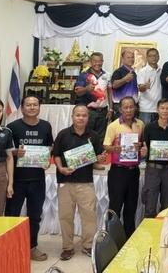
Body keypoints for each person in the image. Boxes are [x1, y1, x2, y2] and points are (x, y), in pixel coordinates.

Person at [52, 105, 106, 261]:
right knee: (65, 216)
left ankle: (88, 245)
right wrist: (61, 168)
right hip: (65, 182)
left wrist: (99, 159)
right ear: (72, 116)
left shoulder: (94, 136)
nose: (81, 118)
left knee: (89, 216)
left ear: (88, 117)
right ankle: (67, 247)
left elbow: (96, 159)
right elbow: (56, 155)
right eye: (78, 115)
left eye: (84, 115)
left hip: (85, 182)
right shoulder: (63, 134)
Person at [5, 96, 53, 261]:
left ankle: (32, 247)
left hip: (37, 179)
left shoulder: (46, 126)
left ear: (39, 107)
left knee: (35, 216)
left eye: (35, 105)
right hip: (17, 180)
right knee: (12, 215)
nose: (32, 107)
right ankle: (9, 248)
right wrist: (15, 152)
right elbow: (6, 152)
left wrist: (46, 159)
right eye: (28, 105)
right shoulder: (12, 127)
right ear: (22, 108)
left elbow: (49, 147)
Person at [103, 97, 146, 237]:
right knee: (115, 207)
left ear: (135, 108)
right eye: (125, 107)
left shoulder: (140, 124)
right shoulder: (113, 126)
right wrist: (114, 148)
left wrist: (140, 146)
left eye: (131, 107)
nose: (128, 110)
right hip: (118, 171)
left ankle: (129, 237)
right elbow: (106, 146)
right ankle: (111, 237)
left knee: (131, 207)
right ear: (120, 109)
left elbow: (143, 144)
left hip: (133, 171)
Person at [141, 99, 168, 217]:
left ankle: (165, 228)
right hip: (152, 169)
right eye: (162, 108)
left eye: (167, 108)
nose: (165, 111)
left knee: (167, 206)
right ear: (157, 110)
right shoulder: (149, 127)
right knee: (150, 205)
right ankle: (149, 228)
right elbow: (144, 147)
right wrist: (144, 152)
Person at [74, 52, 113, 140]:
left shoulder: (107, 75)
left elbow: (110, 92)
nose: (97, 63)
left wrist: (110, 109)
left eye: (100, 61)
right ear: (91, 62)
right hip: (88, 111)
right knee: (86, 137)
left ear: (102, 61)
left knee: (100, 138)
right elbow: (77, 92)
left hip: (103, 112)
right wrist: (86, 89)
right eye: (95, 61)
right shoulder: (84, 75)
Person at [137, 48, 162, 124]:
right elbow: (140, 88)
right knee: (145, 130)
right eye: (150, 56)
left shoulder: (161, 71)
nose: (153, 58)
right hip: (146, 109)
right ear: (147, 58)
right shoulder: (142, 71)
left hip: (159, 108)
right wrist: (145, 86)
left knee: (156, 130)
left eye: (155, 55)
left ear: (158, 57)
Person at [111, 50, 138, 117]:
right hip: (120, 105)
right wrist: (125, 79)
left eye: (132, 57)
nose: (131, 59)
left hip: (132, 105)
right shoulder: (118, 71)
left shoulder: (133, 72)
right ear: (123, 59)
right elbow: (114, 85)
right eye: (128, 57)